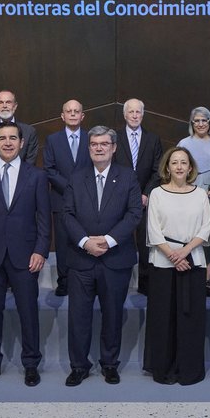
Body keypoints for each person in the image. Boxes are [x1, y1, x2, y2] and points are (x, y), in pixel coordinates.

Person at [0, 121, 51, 387]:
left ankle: (31, 364)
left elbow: (43, 218)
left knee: (28, 312)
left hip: (25, 255)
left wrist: (40, 250)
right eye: (2, 138)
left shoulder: (36, 176)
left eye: (12, 138)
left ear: (22, 142)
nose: (7, 142)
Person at [62, 125, 143, 386]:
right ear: (89, 148)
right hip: (81, 258)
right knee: (78, 317)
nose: (98, 148)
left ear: (114, 147)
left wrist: (107, 241)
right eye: (94, 144)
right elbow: (67, 214)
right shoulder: (76, 177)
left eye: (104, 144)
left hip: (115, 259)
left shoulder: (128, 176)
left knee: (112, 315)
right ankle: (79, 366)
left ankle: (109, 364)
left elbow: (134, 214)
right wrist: (86, 242)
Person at [145, 146, 210, 385]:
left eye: (184, 162)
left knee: (190, 317)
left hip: (193, 261)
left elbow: (206, 228)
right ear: (167, 167)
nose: (180, 166)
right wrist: (173, 255)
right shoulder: (157, 194)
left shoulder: (201, 194)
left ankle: (189, 370)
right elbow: (153, 229)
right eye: (174, 162)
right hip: (163, 262)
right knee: (164, 317)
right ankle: (163, 369)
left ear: (191, 167)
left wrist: (184, 252)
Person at [112, 98, 163, 293]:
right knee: (120, 240)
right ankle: (119, 283)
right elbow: (111, 167)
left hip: (145, 200)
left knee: (144, 243)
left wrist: (146, 193)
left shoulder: (153, 139)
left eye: (138, 112)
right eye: (131, 112)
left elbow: (158, 170)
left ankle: (145, 283)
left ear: (143, 114)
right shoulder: (114, 137)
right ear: (125, 115)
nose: (134, 115)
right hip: (118, 199)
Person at [43, 99, 91, 297]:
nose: (72, 114)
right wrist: (71, 188)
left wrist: (80, 190)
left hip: (88, 200)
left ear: (82, 116)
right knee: (63, 242)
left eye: (76, 111)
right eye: (68, 111)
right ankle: (63, 281)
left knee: (85, 240)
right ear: (62, 116)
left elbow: (98, 166)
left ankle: (86, 280)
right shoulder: (52, 140)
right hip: (60, 199)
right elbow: (49, 169)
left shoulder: (92, 139)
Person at [177, 106, 210, 297]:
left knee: (207, 237)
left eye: (204, 120)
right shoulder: (184, 144)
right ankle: (186, 274)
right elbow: (176, 170)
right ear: (192, 123)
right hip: (186, 197)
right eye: (196, 120)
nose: (200, 124)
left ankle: (206, 279)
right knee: (187, 234)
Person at [0, 90, 40, 169]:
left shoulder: (29, 131)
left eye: (8, 102)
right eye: (1, 102)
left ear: (15, 106)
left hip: (22, 179)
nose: (4, 106)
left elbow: (30, 163)